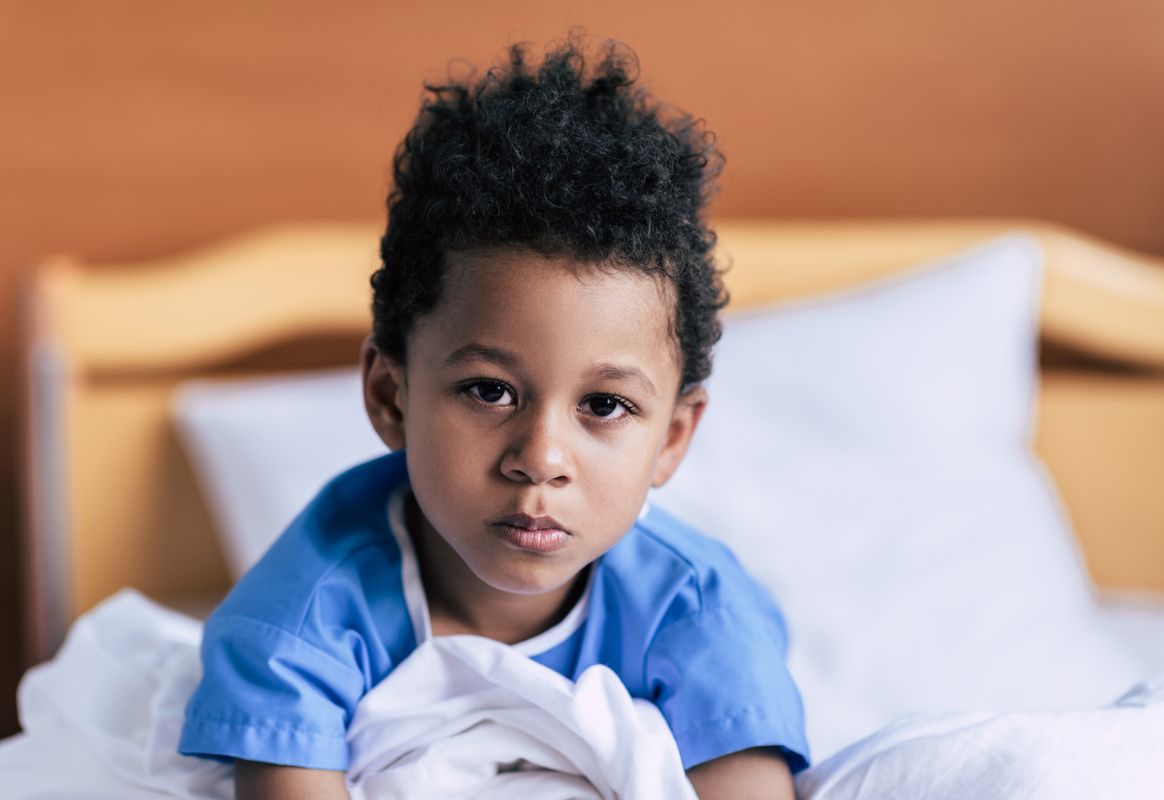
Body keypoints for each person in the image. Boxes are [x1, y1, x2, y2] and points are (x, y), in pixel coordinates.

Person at [178, 35, 808, 799]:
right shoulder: (298, 623)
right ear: (391, 397)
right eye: (489, 390)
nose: (540, 457)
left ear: (672, 438)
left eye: (604, 406)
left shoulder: (700, 611)